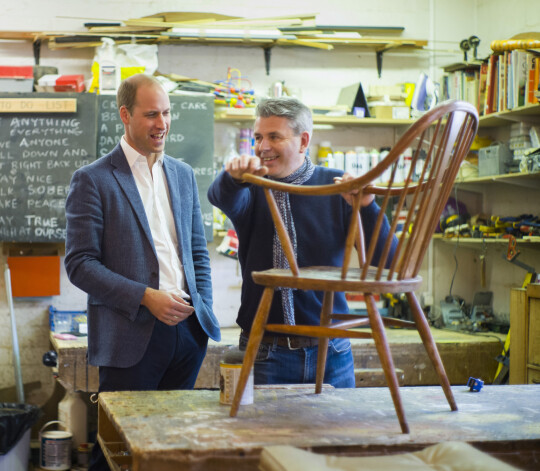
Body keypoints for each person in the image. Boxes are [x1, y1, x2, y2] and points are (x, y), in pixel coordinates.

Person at [65, 74, 220, 470]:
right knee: (117, 449)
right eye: (151, 114)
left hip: (188, 333)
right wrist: (145, 297)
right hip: (131, 336)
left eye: (167, 113)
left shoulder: (183, 175)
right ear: (125, 115)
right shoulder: (94, 179)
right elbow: (80, 264)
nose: (162, 123)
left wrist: (202, 308)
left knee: (171, 448)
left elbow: (197, 251)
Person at [207, 97, 396, 388]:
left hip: (332, 350)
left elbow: (388, 261)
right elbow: (220, 196)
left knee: (337, 434)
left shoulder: (337, 185)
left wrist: (368, 206)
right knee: (265, 434)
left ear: (303, 141)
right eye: (258, 137)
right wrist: (233, 177)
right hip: (265, 351)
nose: (262, 146)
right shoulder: (253, 185)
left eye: (274, 137)